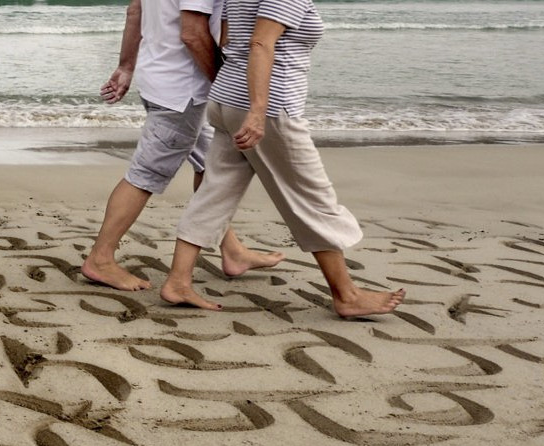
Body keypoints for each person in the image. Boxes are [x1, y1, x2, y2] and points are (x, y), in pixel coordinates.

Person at [160, 0, 406, 316]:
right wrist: (258, 112)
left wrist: (240, 97)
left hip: (226, 100)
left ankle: (178, 281)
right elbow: (260, 42)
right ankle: (347, 295)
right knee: (312, 198)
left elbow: (227, 38)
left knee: (214, 192)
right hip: (270, 110)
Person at [83, 0, 285, 292]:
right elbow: (192, 33)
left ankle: (233, 252)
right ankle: (100, 259)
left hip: (161, 78)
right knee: (146, 174)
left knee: (209, 165)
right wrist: (222, 83)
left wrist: (126, 66)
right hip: (183, 92)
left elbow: (135, 10)